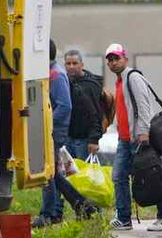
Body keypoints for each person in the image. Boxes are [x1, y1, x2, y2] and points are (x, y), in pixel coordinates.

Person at [105, 43, 162, 232]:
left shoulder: (132, 77)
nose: (113, 62)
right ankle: (123, 218)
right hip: (124, 139)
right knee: (119, 176)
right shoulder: (120, 81)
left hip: (138, 138)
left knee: (151, 176)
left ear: (125, 59)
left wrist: (143, 132)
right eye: (110, 60)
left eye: (116, 58)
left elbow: (143, 105)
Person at [33, 40, 98, 228]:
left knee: (47, 173)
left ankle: (48, 214)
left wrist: (46, 124)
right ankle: (82, 206)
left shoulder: (57, 75)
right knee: (53, 173)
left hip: (54, 131)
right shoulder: (50, 73)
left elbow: (64, 106)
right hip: (51, 130)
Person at [63, 49, 104, 161]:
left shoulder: (90, 85)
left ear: (81, 64)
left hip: (84, 140)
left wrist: (93, 140)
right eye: (68, 63)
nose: (71, 66)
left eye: (75, 63)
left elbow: (96, 114)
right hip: (67, 138)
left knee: (83, 175)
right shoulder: (64, 82)